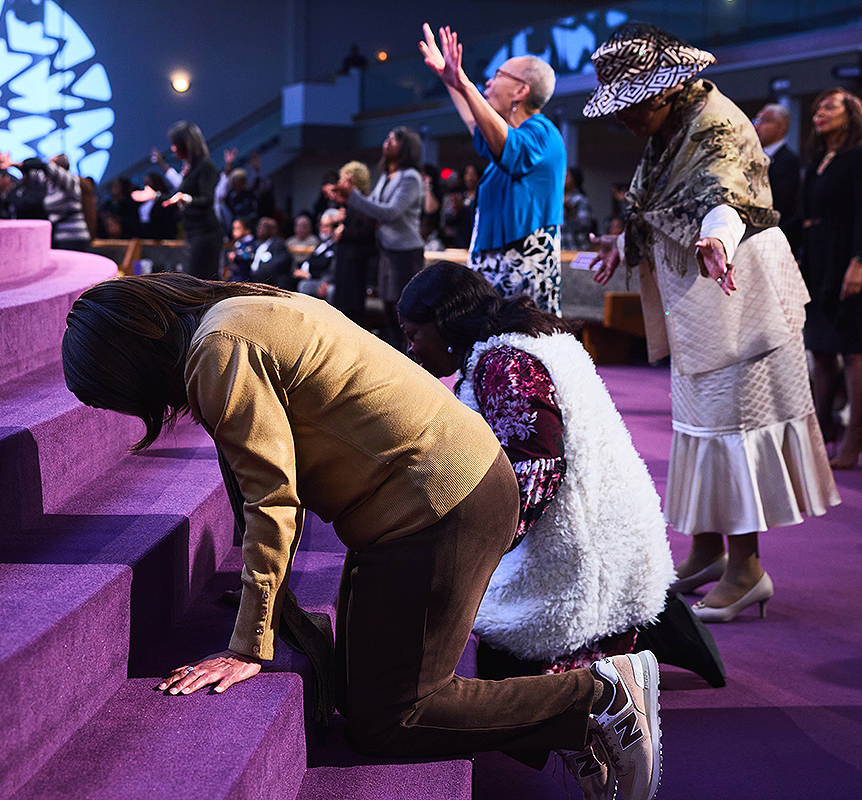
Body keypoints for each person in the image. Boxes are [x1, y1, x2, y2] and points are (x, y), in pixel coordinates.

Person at [61, 274, 663, 800]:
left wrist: (248, 646)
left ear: (133, 362)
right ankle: (580, 720)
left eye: (114, 394)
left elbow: (272, 500)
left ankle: (599, 696)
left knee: (391, 718)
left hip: (441, 507)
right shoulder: (236, 308)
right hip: (434, 495)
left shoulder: (218, 348)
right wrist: (270, 614)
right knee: (355, 686)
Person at [585, 23, 839, 622]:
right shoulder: (671, 125)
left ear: (667, 87)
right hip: (701, 298)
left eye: (632, 104)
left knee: (733, 428)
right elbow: (661, 200)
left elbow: (726, 194)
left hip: (737, 286)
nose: (624, 118)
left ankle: (746, 569)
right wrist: (625, 243)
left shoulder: (717, 123)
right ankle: (706, 550)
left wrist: (716, 237)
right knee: (697, 425)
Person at [398, 263, 726, 688]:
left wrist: (474, 548)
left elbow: (537, 471)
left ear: (445, 323)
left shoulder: (504, 365)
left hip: (579, 551)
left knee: (478, 626)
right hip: (616, 530)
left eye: (413, 334)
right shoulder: (528, 338)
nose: (410, 349)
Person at [421, 24, 566, 315]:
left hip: (522, 262)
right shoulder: (512, 136)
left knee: (520, 350)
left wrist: (463, 82)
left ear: (521, 90)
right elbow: (478, 124)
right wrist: (449, 80)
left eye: (498, 75)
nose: (488, 82)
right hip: (494, 265)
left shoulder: (542, 133)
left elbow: (506, 145)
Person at [800, 87, 862, 469]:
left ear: (851, 114)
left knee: (852, 349)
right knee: (820, 349)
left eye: (830, 106)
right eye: (818, 106)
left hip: (852, 260)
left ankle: (855, 441)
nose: (820, 111)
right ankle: (821, 432)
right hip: (820, 262)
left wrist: (859, 262)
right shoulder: (820, 159)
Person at [324, 128, 424, 345]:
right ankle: (398, 360)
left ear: (406, 146)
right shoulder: (387, 176)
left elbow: (390, 212)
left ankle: (411, 363)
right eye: (386, 137)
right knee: (389, 309)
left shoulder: (411, 178)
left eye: (393, 139)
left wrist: (354, 197)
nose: (386, 141)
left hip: (406, 252)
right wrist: (346, 198)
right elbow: (372, 208)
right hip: (387, 250)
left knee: (402, 312)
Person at [159, 121, 222, 279]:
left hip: (206, 234)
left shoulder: (205, 166)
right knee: (194, 281)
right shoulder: (190, 167)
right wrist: (155, 196)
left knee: (201, 282)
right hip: (194, 233)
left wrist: (186, 198)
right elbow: (180, 196)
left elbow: (207, 199)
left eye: (175, 144)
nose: (173, 149)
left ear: (186, 144)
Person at [0, 153, 91, 251]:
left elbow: (41, 165)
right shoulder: (50, 185)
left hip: (74, 237)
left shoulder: (69, 181)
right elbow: (31, 171)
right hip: (60, 238)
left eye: (52, 161)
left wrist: (14, 164)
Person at [328, 161, 377, 326]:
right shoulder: (348, 203)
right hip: (346, 257)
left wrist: (344, 231)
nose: (340, 183)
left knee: (351, 307)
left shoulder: (363, 202)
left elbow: (367, 231)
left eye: (343, 179)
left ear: (351, 180)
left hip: (355, 260)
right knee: (341, 306)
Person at [753, 103, 801, 251]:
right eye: (756, 121)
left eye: (764, 121)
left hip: (776, 236)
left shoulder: (789, 160)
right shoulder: (751, 156)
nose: (757, 127)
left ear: (782, 127)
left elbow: (780, 202)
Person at [561, 167, 595, 250]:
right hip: (561, 249)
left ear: (574, 179)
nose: (563, 178)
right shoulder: (556, 199)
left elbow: (584, 225)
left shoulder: (581, 200)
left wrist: (570, 210)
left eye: (567, 176)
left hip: (577, 248)